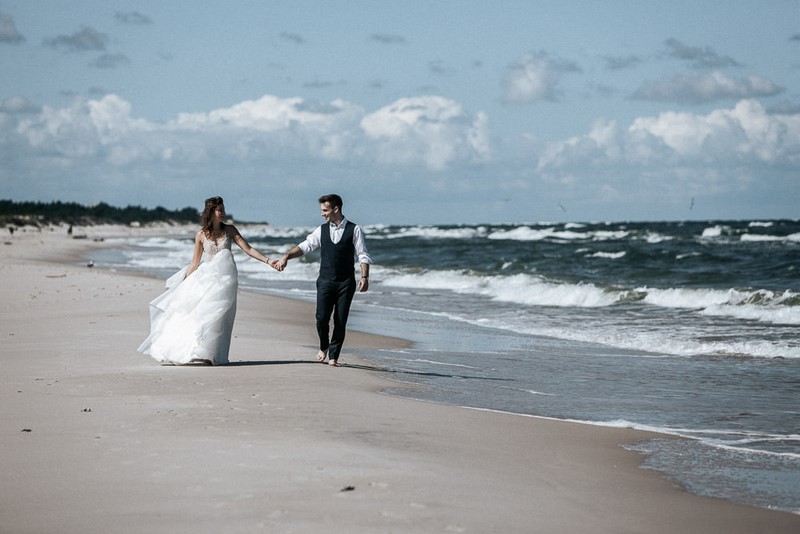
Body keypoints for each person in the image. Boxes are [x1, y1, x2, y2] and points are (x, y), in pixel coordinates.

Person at [138, 196, 278, 365]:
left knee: (220, 316)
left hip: (226, 281)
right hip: (205, 280)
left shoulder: (230, 230)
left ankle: (211, 355)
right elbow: (195, 262)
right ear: (211, 213)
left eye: (224, 210)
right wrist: (183, 284)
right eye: (220, 210)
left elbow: (248, 249)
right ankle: (198, 351)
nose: (224, 213)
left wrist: (268, 261)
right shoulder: (201, 235)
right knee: (203, 313)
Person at [275, 194, 372, 366]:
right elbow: (306, 246)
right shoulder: (321, 230)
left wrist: (364, 276)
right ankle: (323, 345)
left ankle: (334, 356)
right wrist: (286, 256)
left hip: (345, 283)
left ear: (336, 209)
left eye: (325, 210)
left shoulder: (354, 229)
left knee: (340, 320)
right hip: (325, 281)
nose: (322, 214)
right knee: (321, 318)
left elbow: (362, 255)